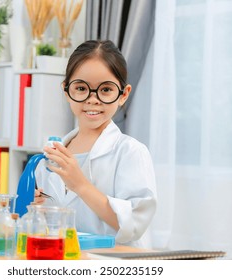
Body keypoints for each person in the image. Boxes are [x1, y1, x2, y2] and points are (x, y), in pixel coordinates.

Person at [34, 39, 157, 248]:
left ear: (123, 94)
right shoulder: (49, 159)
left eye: (106, 90)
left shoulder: (131, 152)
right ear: (66, 91)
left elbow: (134, 224)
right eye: (81, 88)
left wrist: (80, 185)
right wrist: (35, 207)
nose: (93, 99)